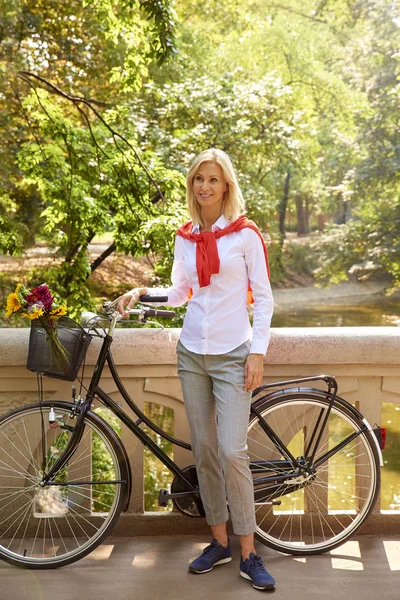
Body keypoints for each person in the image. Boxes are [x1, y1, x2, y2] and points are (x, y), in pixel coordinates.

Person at [117, 148, 275, 591]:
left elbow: (262, 298)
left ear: (226, 186)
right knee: (204, 451)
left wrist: (257, 352)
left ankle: (250, 553)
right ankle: (219, 542)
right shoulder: (185, 236)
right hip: (192, 354)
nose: (204, 186)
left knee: (231, 452)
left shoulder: (245, 236)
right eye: (198, 179)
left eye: (213, 179)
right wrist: (142, 292)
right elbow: (181, 292)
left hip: (233, 354)